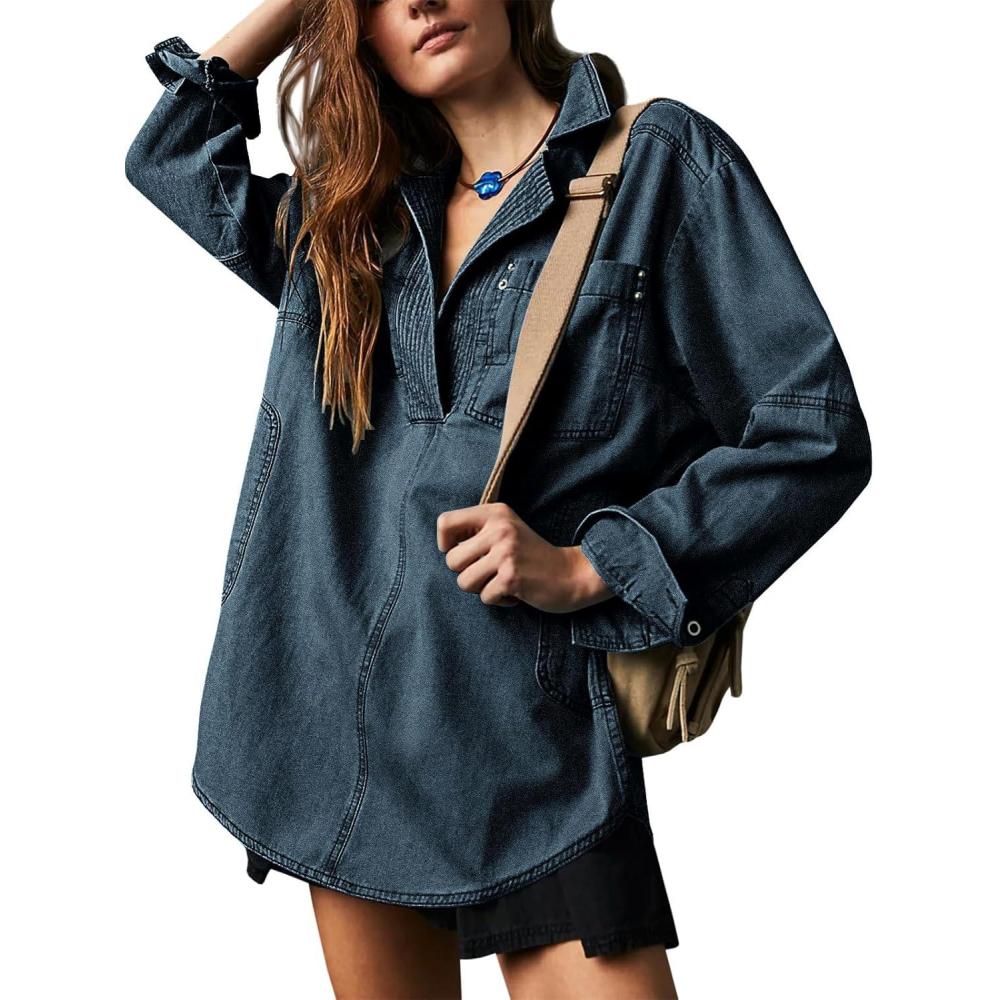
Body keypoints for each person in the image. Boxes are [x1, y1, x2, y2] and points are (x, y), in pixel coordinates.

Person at [124, 0, 872, 996]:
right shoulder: (351, 217)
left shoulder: (658, 164)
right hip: (341, 727)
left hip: (534, 735)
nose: (419, 2)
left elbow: (811, 430)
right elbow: (171, 157)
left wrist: (593, 564)